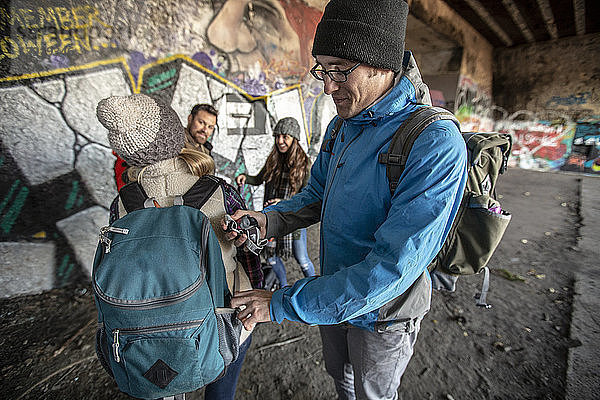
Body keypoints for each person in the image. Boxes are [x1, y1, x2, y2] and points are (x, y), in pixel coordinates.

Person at [223, 1, 469, 399]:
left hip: (384, 318)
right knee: (342, 378)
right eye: (322, 70)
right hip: (332, 299)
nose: (327, 86)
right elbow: (317, 193)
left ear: (381, 64)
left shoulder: (434, 143)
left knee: (372, 394)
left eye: (340, 71)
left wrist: (281, 303)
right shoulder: (341, 126)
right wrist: (265, 221)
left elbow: (389, 270)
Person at [97, 93, 263, 400]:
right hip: (224, 318)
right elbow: (249, 254)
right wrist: (257, 287)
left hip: (148, 331)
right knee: (222, 374)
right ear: (176, 132)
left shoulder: (122, 204)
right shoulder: (217, 191)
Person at [235, 117, 316, 287]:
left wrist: (284, 202)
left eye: (285, 136)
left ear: (294, 139)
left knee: (301, 257)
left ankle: (315, 287)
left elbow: (309, 195)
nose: (280, 141)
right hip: (271, 216)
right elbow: (258, 179)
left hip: (294, 217)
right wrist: (246, 178)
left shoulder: (304, 164)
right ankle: (283, 287)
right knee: (271, 256)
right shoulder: (273, 161)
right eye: (277, 136)